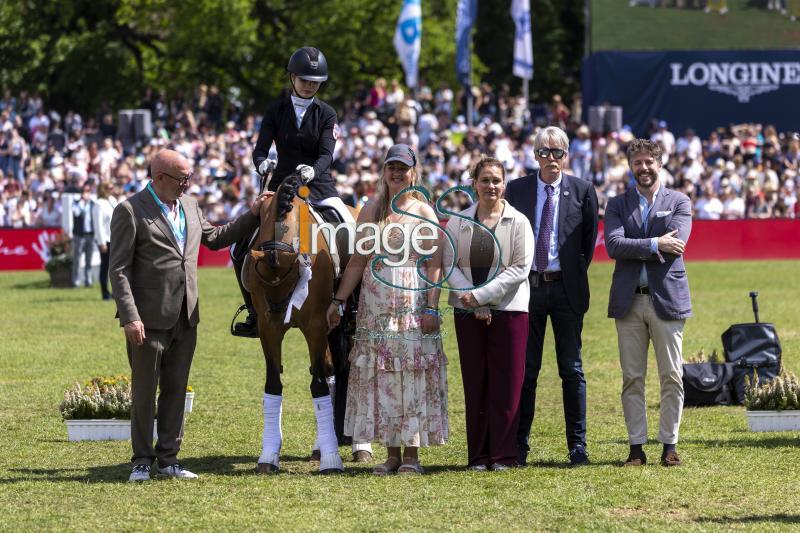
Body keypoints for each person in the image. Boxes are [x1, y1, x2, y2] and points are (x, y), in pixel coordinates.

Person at [110, 149, 266, 482]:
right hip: (147, 318)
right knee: (143, 391)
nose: (188, 184)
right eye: (182, 178)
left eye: (189, 177)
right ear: (159, 178)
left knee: (176, 390)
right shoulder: (130, 210)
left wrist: (252, 214)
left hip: (187, 314)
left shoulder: (191, 206)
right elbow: (119, 270)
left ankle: (168, 460)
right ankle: (141, 461)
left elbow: (216, 238)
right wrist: (130, 316)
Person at [326, 144, 448, 475]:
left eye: (402, 168)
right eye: (391, 167)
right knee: (382, 376)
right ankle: (391, 454)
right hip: (375, 307)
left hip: (412, 301)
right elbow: (356, 263)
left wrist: (433, 307)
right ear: (383, 171)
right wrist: (338, 300)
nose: (396, 173)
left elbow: (436, 263)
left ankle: (412, 455)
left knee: (411, 375)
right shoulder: (372, 209)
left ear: (413, 172)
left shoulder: (423, 212)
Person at [232, 46, 353, 337]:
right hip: (281, 187)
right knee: (238, 246)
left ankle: (351, 307)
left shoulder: (327, 113)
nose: (309, 85)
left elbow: (327, 153)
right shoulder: (275, 111)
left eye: (315, 81)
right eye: (304, 80)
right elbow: (260, 149)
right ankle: (252, 311)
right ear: (292, 78)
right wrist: (261, 163)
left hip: (319, 186)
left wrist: (314, 170)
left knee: (350, 230)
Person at [505, 126, 599, 467]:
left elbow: (586, 246)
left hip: (566, 289)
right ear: (534, 155)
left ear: (567, 155)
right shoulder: (516, 190)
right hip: (527, 288)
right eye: (544, 151)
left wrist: (568, 275)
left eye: (557, 152)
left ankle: (577, 447)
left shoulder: (583, 190)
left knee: (572, 369)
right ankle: (519, 445)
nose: (551, 158)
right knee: (525, 371)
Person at [604, 138, 692, 467]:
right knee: (632, 377)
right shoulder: (617, 204)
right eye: (637, 163)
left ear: (659, 163)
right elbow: (613, 245)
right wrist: (656, 242)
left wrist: (637, 245)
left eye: (648, 162)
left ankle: (669, 444)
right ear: (630, 166)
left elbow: (678, 243)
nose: (643, 168)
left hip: (667, 300)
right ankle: (636, 447)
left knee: (671, 375)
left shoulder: (679, 201)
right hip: (629, 302)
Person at [444, 156, 534, 471]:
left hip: (509, 312)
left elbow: (519, 269)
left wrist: (481, 296)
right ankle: (479, 456)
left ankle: (504, 456)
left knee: (507, 387)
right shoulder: (458, 221)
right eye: (485, 180)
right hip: (467, 313)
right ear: (474, 184)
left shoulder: (519, 221)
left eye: (496, 180)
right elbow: (448, 264)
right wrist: (471, 301)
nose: (491, 186)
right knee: (476, 384)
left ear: (504, 184)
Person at [93, 182, 117, 300]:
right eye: (110, 187)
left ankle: (115, 291)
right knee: (105, 267)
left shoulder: (112, 200)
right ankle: (105, 293)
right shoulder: (99, 204)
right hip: (106, 240)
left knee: (115, 267)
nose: (112, 189)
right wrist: (101, 242)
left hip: (115, 238)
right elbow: (98, 225)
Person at [71, 183, 96, 287]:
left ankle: (88, 279)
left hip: (90, 234)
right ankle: (76, 280)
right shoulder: (76, 203)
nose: (86, 194)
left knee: (88, 258)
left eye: (88, 192)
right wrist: (82, 203)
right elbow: (76, 213)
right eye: (84, 192)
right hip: (79, 235)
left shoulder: (93, 204)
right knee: (77, 258)